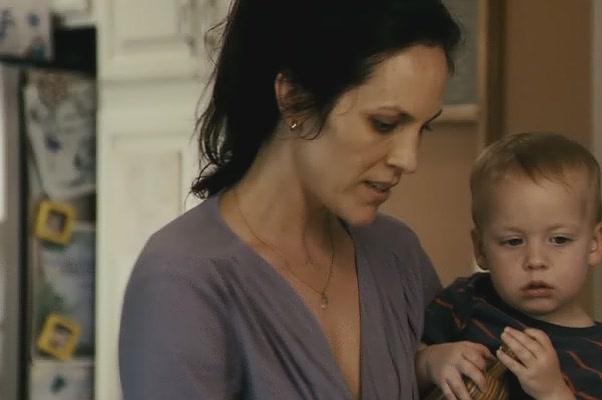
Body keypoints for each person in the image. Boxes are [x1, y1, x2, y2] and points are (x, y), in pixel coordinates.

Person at [118, 0, 461, 399]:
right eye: (384, 124)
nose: (409, 159)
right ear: (294, 98)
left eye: (423, 128)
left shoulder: (397, 255)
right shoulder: (183, 278)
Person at [417, 133, 602, 400]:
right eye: (513, 241)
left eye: (559, 239)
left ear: (594, 244)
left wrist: (554, 392)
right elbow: (389, 369)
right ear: (481, 249)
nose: (535, 261)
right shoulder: (465, 300)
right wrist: (429, 362)